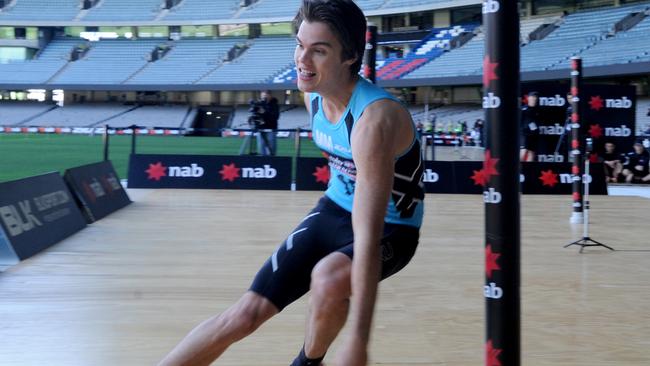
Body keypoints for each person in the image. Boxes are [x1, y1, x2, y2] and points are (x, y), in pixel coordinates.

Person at [158, 1, 424, 365]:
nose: (302, 60)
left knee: (328, 278)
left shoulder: (373, 121)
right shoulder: (312, 94)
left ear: (349, 57)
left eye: (319, 50)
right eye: (300, 45)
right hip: (334, 209)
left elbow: (368, 235)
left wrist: (359, 340)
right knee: (244, 315)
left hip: (390, 230)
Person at [256, 90, 279, 156]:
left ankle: (272, 162)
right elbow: (257, 116)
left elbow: (275, 117)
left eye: (265, 96)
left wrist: (264, 112)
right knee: (261, 148)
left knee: (271, 148)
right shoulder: (259, 104)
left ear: (270, 96)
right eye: (262, 96)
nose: (264, 97)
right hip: (261, 129)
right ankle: (262, 162)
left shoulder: (274, 105)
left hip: (271, 129)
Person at [521, 92, 540, 162]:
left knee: (531, 154)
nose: (534, 99)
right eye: (532, 97)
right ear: (528, 98)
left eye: (535, 98)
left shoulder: (538, 110)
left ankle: (528, 171)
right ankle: (517, 170)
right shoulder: (524, 109)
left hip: (534, 135)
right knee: (523, 152)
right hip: (524, 135)